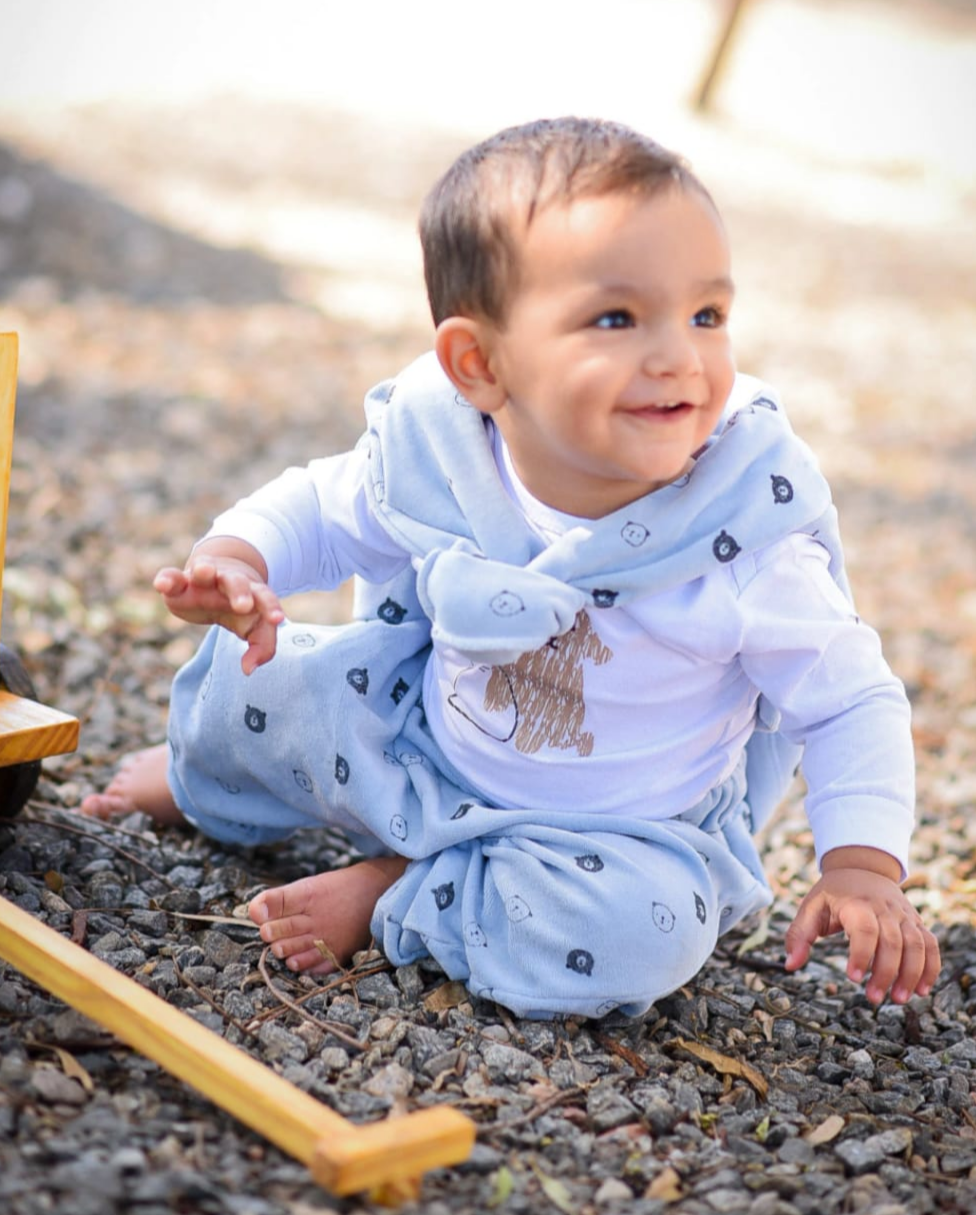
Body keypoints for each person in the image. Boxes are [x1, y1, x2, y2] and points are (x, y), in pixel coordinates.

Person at [82, 116, 940, 1020]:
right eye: (617, 318)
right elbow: (327, 506)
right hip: (418, 750)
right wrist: (238, 557)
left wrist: (861, 864)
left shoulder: (740, 535)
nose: (679, 356)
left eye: (707, 316)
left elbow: (849, 699)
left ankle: (400, 890)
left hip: (608, 841)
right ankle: (207, 787)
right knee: (256, 685)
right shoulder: (444, 451)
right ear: (480, 364)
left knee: (645, 935)